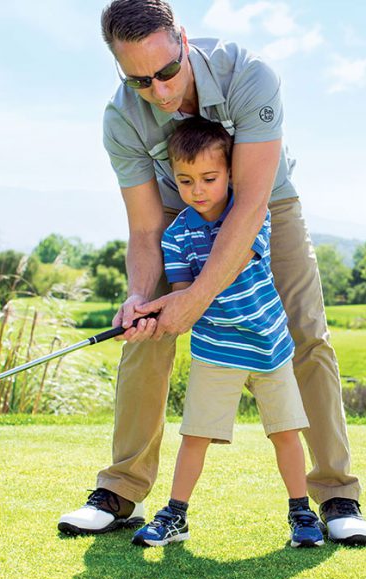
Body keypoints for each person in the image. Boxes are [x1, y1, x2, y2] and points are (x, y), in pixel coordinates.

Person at [57, 0, 366, 546]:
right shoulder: (121, 120)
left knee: (306, 335)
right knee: (144, 333)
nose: (158, 91)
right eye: (138, 80)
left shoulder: (249, 75)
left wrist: (197, 299)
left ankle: (337, 494)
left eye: (166, 72)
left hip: (265, 205)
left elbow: (248, 208)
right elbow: (143, 230)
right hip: (179, 216)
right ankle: (121, 490)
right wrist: (140, 295)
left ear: (182, 38)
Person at [131, 117, 323, 548]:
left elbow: (233, 261)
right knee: (195, 435)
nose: (197, 190)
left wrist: (190, 299)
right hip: (216, 349)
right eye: (184, 180)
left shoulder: (251, 213)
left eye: (209, 178)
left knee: (286, 432)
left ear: (230, 174)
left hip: (269, 344)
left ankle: (301, 512)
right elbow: (185, 299)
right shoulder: (177, 235)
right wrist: (155, 315)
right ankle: (175, 515)